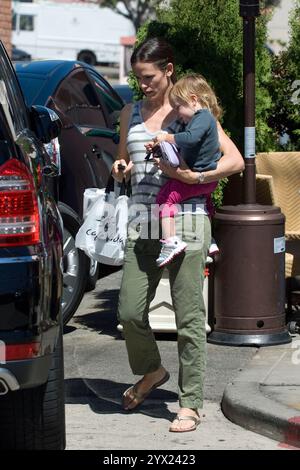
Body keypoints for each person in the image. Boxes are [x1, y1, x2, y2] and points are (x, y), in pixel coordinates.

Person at [112, 37, 244, 433]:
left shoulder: (191, 109)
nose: (143, 85)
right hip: (142, 221)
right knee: (130, 313)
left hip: (185, 219)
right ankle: (152, 371)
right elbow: (124, 159)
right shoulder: (129, 112)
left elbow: (235, 159)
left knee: (189, 317)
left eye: (149, 77)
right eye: (138, 78)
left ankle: (190, 403)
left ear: (168, 70)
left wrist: (196, 176)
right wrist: (121, 169)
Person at [145, 73, 221, 267]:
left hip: (198, 178)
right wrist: (160, 148)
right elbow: (190, 146)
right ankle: (210, 242)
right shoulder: (204, 120)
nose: (177, 113)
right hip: (207, 182)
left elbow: (190, 138)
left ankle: (170, 242)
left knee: (165, 198)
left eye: (178, 107)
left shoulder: (202, 117)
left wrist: (167, 138)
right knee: (208, 204)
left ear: (193, 100)